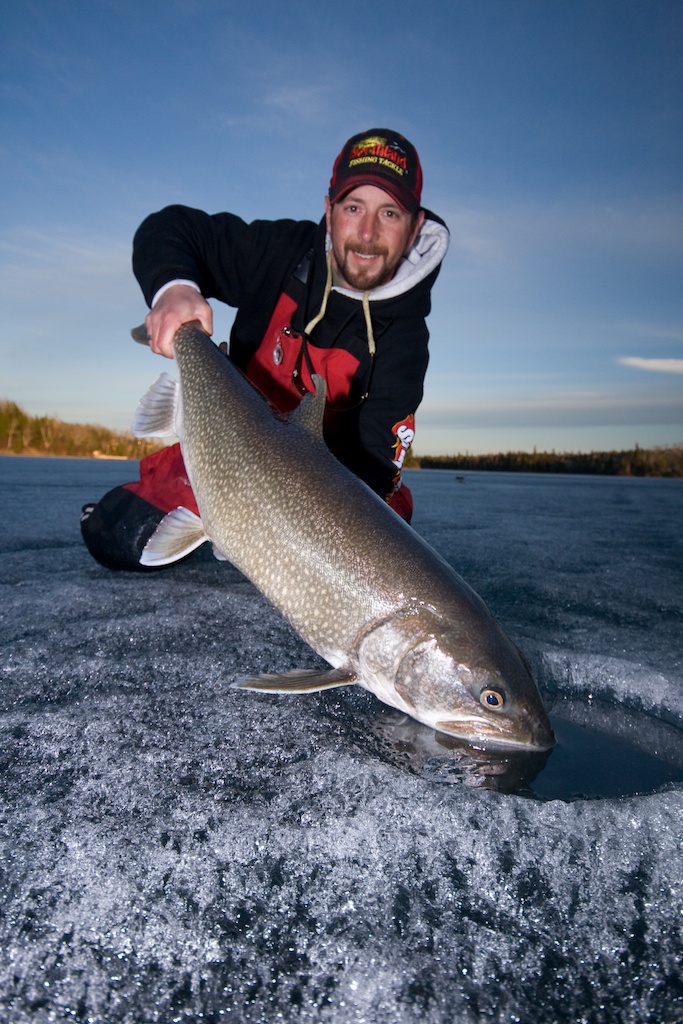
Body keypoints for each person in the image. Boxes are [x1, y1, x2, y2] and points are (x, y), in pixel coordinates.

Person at [81, 128, 450, 571]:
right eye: (354, 207)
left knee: (381, 564)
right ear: (329, 211)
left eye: (389, 213)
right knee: (118, 535)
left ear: (413, 229)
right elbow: (170, 228)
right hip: (227, 448)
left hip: (327, 485)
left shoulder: (405, 342)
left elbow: (369, 473)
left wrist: (280, 535)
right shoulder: (281, 253)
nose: (367, 234)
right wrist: (174, 290)